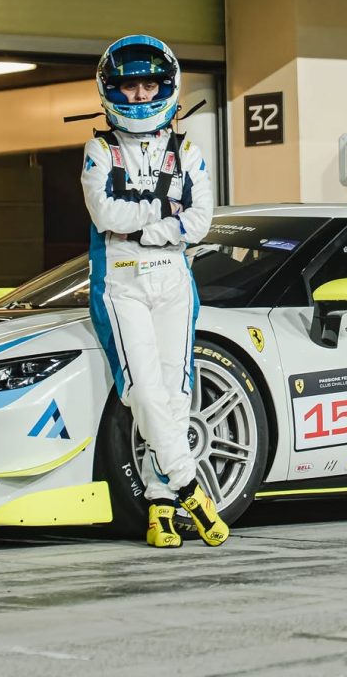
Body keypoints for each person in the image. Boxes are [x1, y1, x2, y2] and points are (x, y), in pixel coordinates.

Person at [81, 34, 228, 549]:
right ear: (111, 90)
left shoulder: (187, 149)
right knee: (142, 392)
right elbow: (104, 214)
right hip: (121, 281)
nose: (140, 96)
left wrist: (143, 225)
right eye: (129, 86)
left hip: (173, 278)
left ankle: (161, 504)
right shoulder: (99, 149)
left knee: (175, 394)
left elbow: (201, 221)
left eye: (148, 85)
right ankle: (192, 486)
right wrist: (164, 217)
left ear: (165, 88)